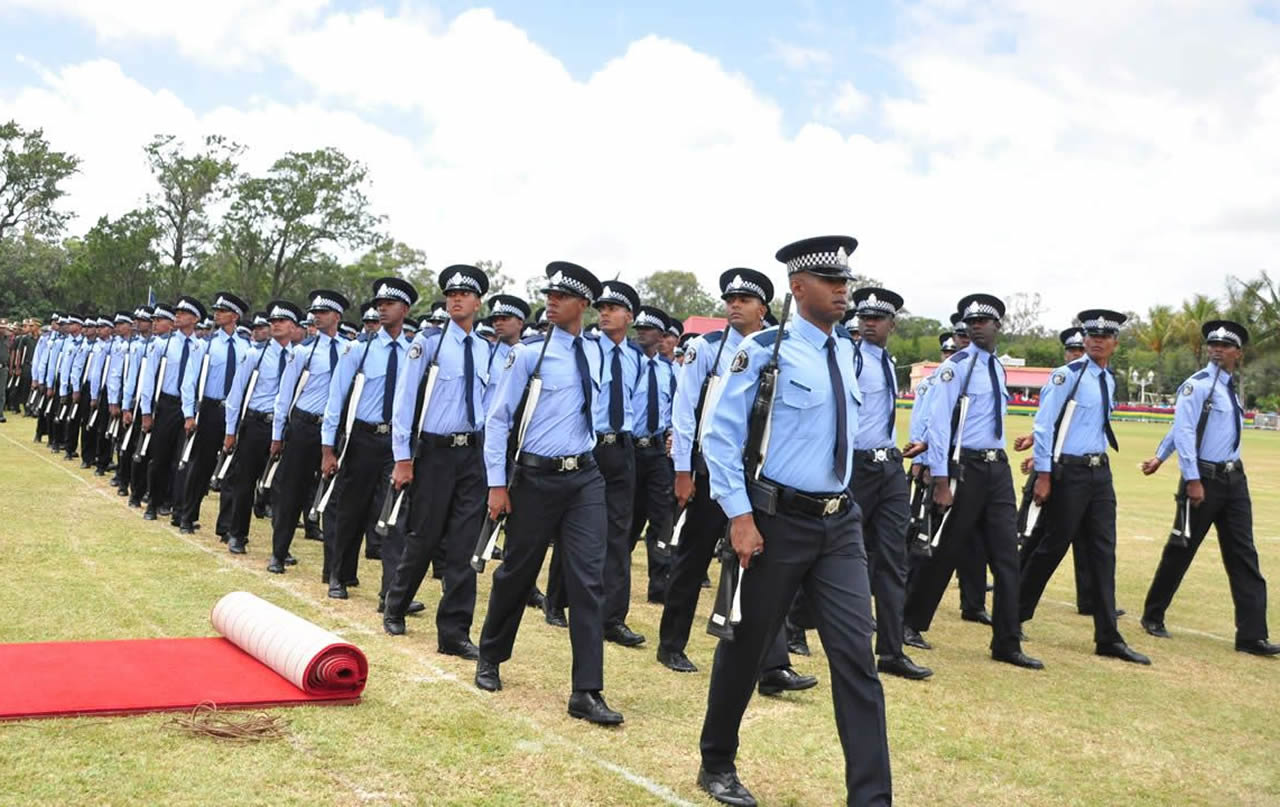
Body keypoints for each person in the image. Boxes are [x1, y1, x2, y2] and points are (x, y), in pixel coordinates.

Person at [697, 235, 890, 807]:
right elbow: (719, 437)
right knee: (747, 644)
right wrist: (739, 516)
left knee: (856, 656)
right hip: (775, 521)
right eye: (831, 282)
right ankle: (716, 762)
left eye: (846, 281)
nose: (843, 291)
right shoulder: (764, 351)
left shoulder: (847, 352)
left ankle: (872, 797)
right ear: (798, 288)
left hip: (839, 522)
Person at [475, 261, 623, 727]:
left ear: (584, 305)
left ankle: (586, 691)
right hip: (534, 479)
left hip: (584, 477)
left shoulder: (595, 352)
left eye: (562, 297)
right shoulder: (528, 355)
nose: (552, 302)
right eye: (549, 296)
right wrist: (497, 484)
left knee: (588, 580)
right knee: (518, 572)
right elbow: (498, 419)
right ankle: (490, 656)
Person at [660, 268, 814, 696]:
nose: (734, 306)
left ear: (763, 308)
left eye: (744, 300)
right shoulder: (706, 349)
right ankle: (671, 644)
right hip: (712, 470)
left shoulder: (776, 348)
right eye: (730, 299)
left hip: (760, 475)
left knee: (763, 567)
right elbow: (684, 411)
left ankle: (772, 665)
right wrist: (683, 470)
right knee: (693, 560)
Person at [902, 293, 1043, 670]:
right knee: (944, 549)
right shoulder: (956, 368)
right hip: (964, 467)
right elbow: (938, 423)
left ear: (998, 326)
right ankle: (909, 622)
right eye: (971, 323)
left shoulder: (997, 367)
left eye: (983, 322)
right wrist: (941, 479)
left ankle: (1007, 642)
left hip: (997, 468)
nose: (976, 327)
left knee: (1007, 556)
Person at [1017, 310, 1150, 664]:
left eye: (1104, 337)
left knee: (1104, 553)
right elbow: (1044, 426)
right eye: (1091, 335)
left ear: (1115, 343)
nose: (1096, 341)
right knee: (1052, 547)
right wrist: (1044, 474)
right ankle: (1012, 617)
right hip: (1069, 473)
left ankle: (1108, 636)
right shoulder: (1068, 376)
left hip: (1099, 472)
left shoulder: (1108, 379)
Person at [1139, 320, 1278, 656]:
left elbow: (1189, 428)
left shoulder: (1229, 388)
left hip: (1234, 480)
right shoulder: (1196, 385)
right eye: (1213, 345)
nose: (1218, 350)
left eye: (1225, 346)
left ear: (1238, 353)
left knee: (1244, 555)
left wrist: (1160, 456)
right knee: (1181, 548)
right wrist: (1191, 478)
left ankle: (1252, 636)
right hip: (1203, 478)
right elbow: (1184, 429)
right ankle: (1153, 614)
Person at [383, 265, 491, 660]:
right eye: (451, 294)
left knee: (464, 545)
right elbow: (404, 401)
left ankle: (454, 633)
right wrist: (403, 458)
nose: (456, 299)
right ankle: (396, 604)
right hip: (434, 453)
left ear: (477, 303)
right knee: (425, 536)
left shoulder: (485, 349)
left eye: (464, 294)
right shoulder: (427, 343)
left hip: (472, 453)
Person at [847, 287, 933, 681]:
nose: (869, 323)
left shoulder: (887, 361)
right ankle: (796, 626)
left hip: (888, 464)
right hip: (857, 466)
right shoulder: (850, 359)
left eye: (877, 318)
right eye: (864, 317)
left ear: (892, 325)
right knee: (838, 547)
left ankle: (891, 650)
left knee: (894, 558)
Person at [322, 277, 417, 604]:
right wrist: (328, 449)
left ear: (405, 310)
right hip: (362, 439)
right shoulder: (358, 350)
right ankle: (339, 574)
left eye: (389, 304)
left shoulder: (414, 353)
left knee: (395, 515)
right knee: (352, 509)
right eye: (379, 304)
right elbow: (336, 399)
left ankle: (391, 592)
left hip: (397, 443)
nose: (382, 309)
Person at [267, 290, 350, 573]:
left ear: (337, 316)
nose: (316, 317)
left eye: (323, 313)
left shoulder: (350, 350)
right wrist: (278, 435)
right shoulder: (303, 351)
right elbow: (284, 395)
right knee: (292, 492)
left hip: (336, 430)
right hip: (305, 427)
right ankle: (279, 553)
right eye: (314, 313)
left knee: (334, 497)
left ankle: (334, 570)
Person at [178, 292, 250, 533]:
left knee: (232, 468)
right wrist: (189, 414)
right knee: (201, 464)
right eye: (216, 310)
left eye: (222, 311)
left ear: (235, 316)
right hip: (210, 409)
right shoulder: (205, 345)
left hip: (234, 412)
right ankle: (187, 516)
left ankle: (226, 526)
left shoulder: (246, 348)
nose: (217, 314)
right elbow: (189, 381)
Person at [139, 298, 207, 522]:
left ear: (195, 319)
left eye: (183, 313)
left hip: (189, 407)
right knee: (159, 457)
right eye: (176, 312)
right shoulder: (163, 344)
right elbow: (149, 379)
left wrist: (191, 413)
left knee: (181, 460)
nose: (177, 315)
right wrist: (146, 411)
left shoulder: (200, 347)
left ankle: (177, 508)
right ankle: (153, 502)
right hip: (166, 404)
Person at [627, 305, 677, 606]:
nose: (641, 333)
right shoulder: (627, 364)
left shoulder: (670, 371)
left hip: (657, 452)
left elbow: (676, 410)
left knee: (661, 519)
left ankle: (659, 586)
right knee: (628, 519)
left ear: (661, 336)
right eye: (639, 328)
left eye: (648, 329)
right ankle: (615, 578)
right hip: (630, 450)